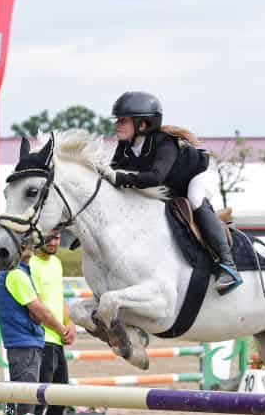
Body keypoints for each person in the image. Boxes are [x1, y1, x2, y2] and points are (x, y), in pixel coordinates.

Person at [104, 90, 242, 295]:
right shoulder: (124, 147)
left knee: (195, 201)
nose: (117, 125)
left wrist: (120, 178)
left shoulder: (164, 142)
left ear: (142, 124)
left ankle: (228, 264)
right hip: (166, 185)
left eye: (122, 120)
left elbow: (155, 177)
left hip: (191, 176)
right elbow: (114, 177)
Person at [0, 247, 71, 415]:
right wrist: (62, 329)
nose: (31, 246)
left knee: (26, 402)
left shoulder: (19, 272)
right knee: (27, 404)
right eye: (25, 243)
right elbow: (40, 312)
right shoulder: (16, 274)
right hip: (25, 343)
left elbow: (37, 313)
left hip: (24, 342)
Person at [29, 231, 75, 415]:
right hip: (42, 339)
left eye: (56, 237)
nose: (53, 242)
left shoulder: (56, 263)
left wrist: (70, 323)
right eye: (48, 237)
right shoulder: (31, 264)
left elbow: (60, 297)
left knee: (61, 397)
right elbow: (37, 308)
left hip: (57, 339)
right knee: (41, 400)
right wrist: (60, 327)